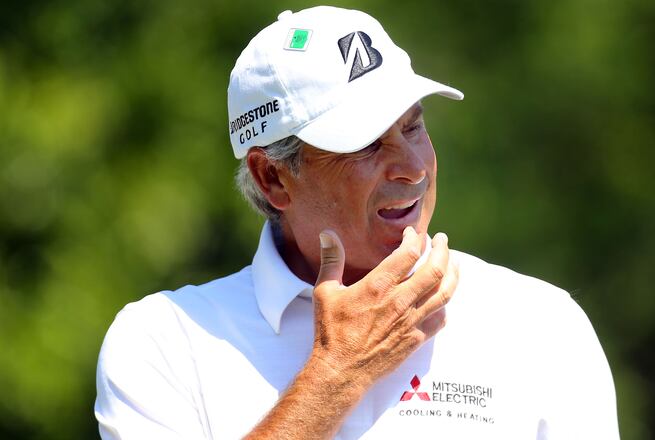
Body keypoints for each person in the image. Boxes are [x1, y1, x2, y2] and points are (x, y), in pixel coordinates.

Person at [94, 6, 619, 439]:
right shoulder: (162, 342)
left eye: (413, 126)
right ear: (273, 178)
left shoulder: (541, 325)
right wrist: (338, 372)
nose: (413, 167)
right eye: (366, 144)